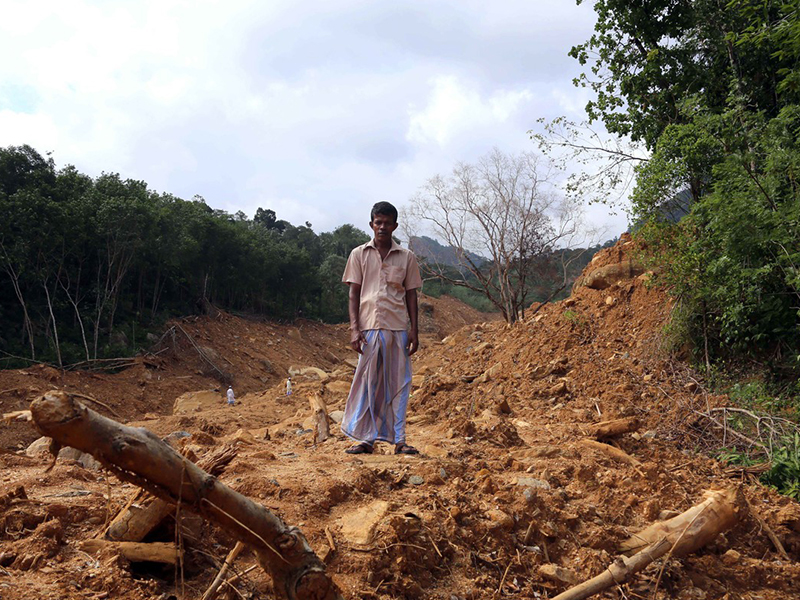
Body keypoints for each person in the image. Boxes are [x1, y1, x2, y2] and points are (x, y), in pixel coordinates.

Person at [340, 201, 422, 455]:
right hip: (369, 330)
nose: (383, 227)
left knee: (400, 384)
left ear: (395, 225)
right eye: (378, 222)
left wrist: (414, 331)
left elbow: (411, 296)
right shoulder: (359, 254)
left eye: (387, 223)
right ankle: (366, 439)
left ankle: (400, 441)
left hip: (397, 329)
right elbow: (354, 294)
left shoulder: (407, 257)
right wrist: (355, 329)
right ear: (371, 224)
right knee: (368, 385)